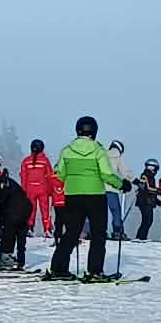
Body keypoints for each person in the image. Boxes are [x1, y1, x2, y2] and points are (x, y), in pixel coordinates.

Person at [50, 116, 123, 280]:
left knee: (71, 232)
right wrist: (121, 184)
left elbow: (59, 174)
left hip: (73, 196)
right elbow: (106, 174)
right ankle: (94, 270)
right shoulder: (98, 150)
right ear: (94, 131)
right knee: (98, 234)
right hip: (95, 196)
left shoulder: (67, 150)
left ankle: (58, 268)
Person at [0, 153, 35, 270]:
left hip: (16, 210)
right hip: (21, 210)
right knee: (1, 227)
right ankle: (1, 256)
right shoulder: (4, 180)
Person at [19, 139, 57, 238]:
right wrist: (51, 190)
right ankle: (47, 229)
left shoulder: (26, 161)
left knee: (31, 209)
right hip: (43, 188)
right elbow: (50, 176)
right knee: (45, 210)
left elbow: (23, 176)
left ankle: (30, 227)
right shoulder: (45, 161)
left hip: (30, 188)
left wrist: (23, 190)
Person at [105, 140, 133, 240]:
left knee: (101, 211)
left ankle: (99, 231)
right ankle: (118, 231)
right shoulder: (118, 157)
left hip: (99, 188)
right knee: (116, 211)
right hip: (112, 188)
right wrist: (132, 181)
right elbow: (124, 172)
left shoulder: (102, 155)